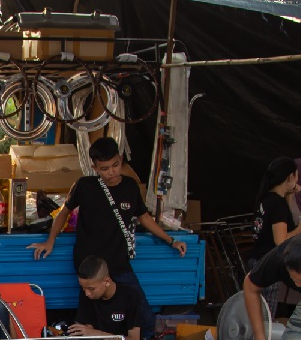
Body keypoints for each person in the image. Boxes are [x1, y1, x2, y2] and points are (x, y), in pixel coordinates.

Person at [27, 137, 185, 330]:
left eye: (115, 165)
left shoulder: (130, 187)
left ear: (120, 160)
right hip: (91, 268)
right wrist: (50, 241)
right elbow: (63, 213)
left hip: (119, 263)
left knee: (144, 317)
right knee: (92, 322)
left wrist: (171, 240)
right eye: (104, 168)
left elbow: (144, 218)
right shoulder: (84, 186)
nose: (111, 172)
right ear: (95, 168)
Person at [63, 256, 147, 340]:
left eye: (91, 289)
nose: (87, 293)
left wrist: (100, 335)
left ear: (106, 281)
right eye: (84, 288)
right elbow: (85, 330)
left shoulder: (130, 295)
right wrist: (97, 339)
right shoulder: (87, 294)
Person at [250, 157, 301, 262]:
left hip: (258, 258)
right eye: (297, 176)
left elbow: (283, 215)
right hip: (269, 262)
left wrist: (289, 194)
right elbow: (280, 241)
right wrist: (300, 228)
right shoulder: (277, 203)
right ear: (290, 177)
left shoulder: (267, 196)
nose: (298, 180)